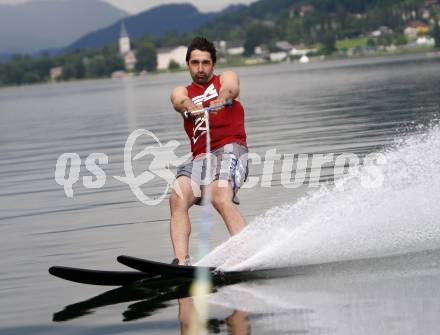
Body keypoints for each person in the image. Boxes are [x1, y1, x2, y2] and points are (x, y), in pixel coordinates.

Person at [169, 36, 249, 265]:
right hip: (201, 159)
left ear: (213, 64)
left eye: (205, 62)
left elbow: (231, 88)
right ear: (188, 65)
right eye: (195, 62)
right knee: (177, 197)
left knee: (219, 193)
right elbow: (178, 100)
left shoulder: (225, 79)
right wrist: (192, 108)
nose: (200, 68)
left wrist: (220, 99)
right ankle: (181, 262)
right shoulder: (182, 91)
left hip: (231, 149)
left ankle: (246, 255)